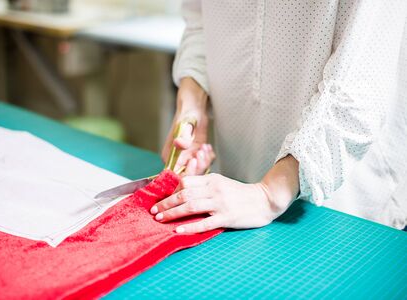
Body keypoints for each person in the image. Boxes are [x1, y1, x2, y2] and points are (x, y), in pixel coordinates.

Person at [150, 0, 407, 233]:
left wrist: (268, 194)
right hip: (237, 179)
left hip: (344, 205)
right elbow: (200, 23)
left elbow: (360, 84)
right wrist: (192, 106)